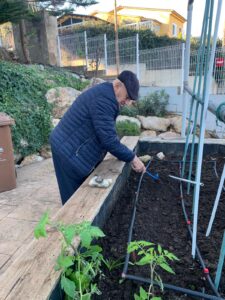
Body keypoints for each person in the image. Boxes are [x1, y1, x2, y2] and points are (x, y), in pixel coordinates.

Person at [50, 70, 146, 205]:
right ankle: (70, 223)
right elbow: (108, 140)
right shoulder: (104, 100)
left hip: (70, 146)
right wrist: (132, 158)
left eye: (131, 100)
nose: (128, 102)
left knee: (79, 194)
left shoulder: (107, 94)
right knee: (73, 200)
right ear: (118, 85)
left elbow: (106, 131)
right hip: (67, 151)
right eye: (128, 97)